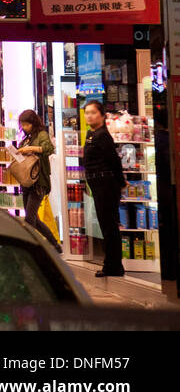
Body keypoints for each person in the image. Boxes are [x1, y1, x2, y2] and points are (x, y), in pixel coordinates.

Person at [82, 101, 127, 277]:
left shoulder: (102, 136)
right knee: (106, 224)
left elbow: (114, 161)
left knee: (109, 226)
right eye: (87, 113)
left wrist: (121, 182)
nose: (89, 116)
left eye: (93, 112)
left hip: (106, 185)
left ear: (102, 115)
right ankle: (112, 264)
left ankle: (113, 266)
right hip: (97, 184)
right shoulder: (91, 134)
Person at [15, 109, 59, 249]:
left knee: (29, 219)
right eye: (23, 125)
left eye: (27, 124)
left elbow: (48, 149)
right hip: (27, 181)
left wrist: (30, 149)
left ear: (33, 122)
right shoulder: (26, 138)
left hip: (39, 181)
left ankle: (32, 248)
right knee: (33, 217)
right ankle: (54, 245)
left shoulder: (42, 134)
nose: (25, 127)